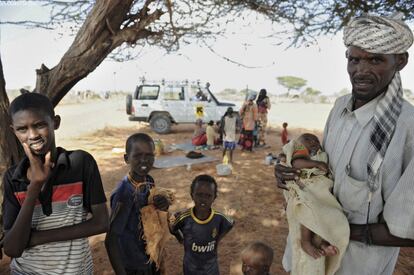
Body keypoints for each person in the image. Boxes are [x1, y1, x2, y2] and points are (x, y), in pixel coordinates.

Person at [275, 13, 414, 274]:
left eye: (375, 59)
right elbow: (322, 172)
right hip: (309, 261)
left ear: (401, 61)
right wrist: (292, 172)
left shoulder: (408, 129)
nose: (361, 70)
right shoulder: (340, 108)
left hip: (358, 266)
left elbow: (407, 230)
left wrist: (333, 228)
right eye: (354, 59)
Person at [2, 93, 109, 274]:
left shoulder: (81, 163)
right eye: (22, 129)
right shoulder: (13, 178)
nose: (33, 135)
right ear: (14, 131)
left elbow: (101, 223)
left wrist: (36, 238)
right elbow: (12, 249)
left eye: (40, 125)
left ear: (55, 122)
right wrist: (34, 187)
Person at [282, 133, 349, 275]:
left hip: (320, 189)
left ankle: (323, 243)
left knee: (323, 215)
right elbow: (296, 164)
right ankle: (306, 241)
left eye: (315, 140)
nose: (313, 141)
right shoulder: (301, 151)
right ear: (299, 143)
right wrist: (316, 164)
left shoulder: (319, 153)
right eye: (307, 139)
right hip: (306, 188)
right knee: (308, 213)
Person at [105, 133, 170, 275]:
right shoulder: (124, 194)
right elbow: (111, 239)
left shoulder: (148, 180)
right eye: (137, 155)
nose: (144, 160)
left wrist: (162, 205)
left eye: (149, 155)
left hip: (150, 256)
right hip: (134, 265)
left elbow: (150, 213)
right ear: (127, 159)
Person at [170, 174, 234, 275]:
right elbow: (173, 228)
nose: (203, 199)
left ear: (214, 197)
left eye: (208, 196)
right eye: (199, 195)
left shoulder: (219, 218)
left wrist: (217, 239)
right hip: (190, 269)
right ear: (192, 195)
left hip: (211, 269)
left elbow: (230, 223)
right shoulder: (184, 218)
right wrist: (180, 239)